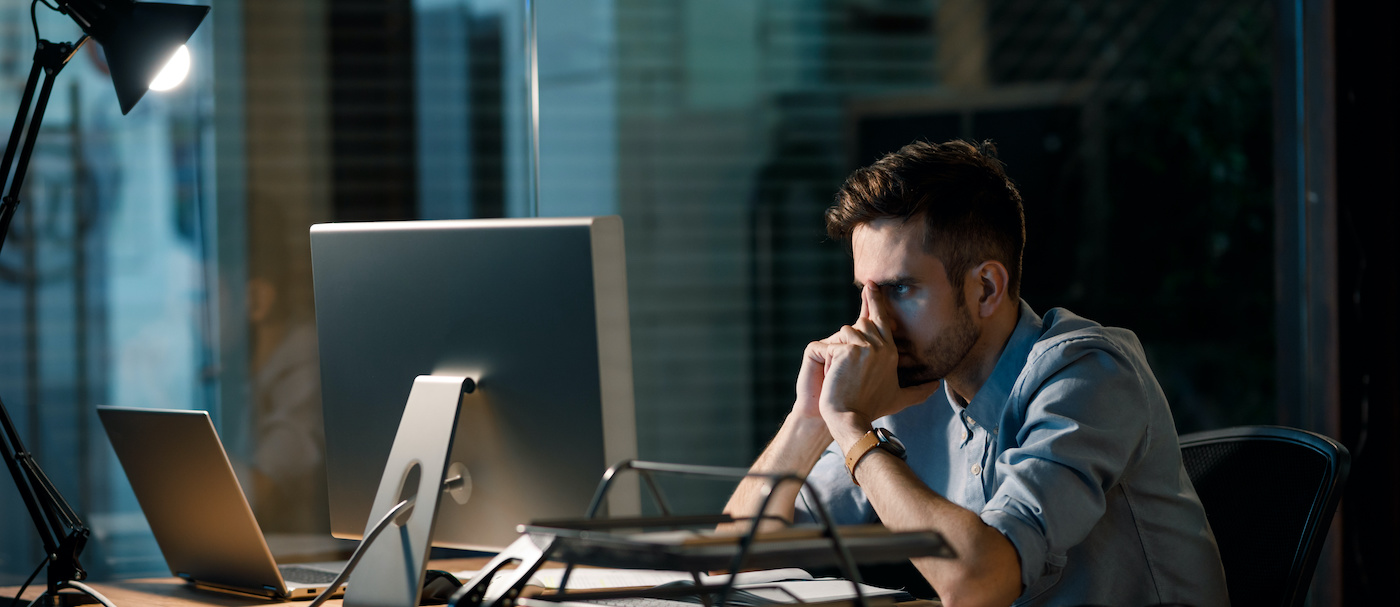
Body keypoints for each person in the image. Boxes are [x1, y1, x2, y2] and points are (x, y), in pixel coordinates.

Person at [723, 140, 1228, 607]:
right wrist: (812, 416)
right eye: (864, 291)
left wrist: (854, 432)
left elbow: (976, 583)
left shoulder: (1089, 374)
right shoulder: (907, 385)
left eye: (899, 289)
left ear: (986, 288)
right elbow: (736, 560)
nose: (869, 323)